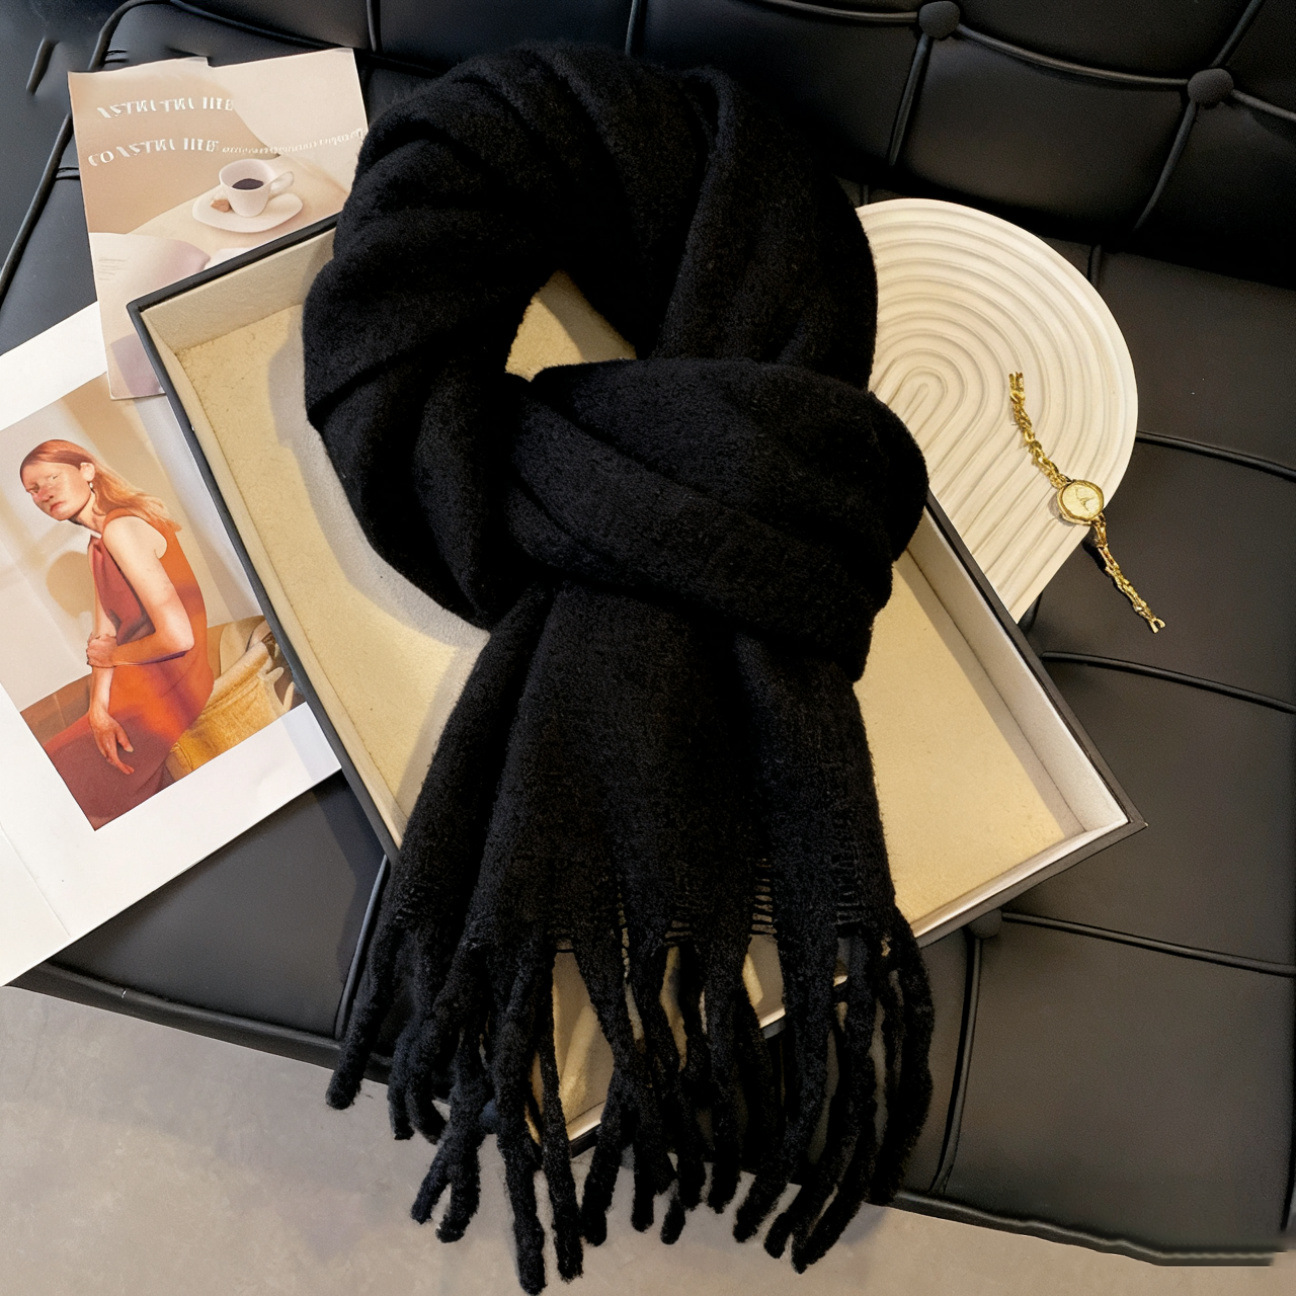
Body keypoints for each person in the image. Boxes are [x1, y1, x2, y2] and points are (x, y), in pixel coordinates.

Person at [20, 440, 213, 828]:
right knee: (45, 773)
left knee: (49, 784)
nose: (44, 494)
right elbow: (103, 637)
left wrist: (114, 658)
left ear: (87, 470)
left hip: (172, 681)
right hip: (137, 681)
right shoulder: (97, 546)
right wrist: (97, 711)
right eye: (33, 490)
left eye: (52, 478)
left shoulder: (121, 529)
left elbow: (179, 637)